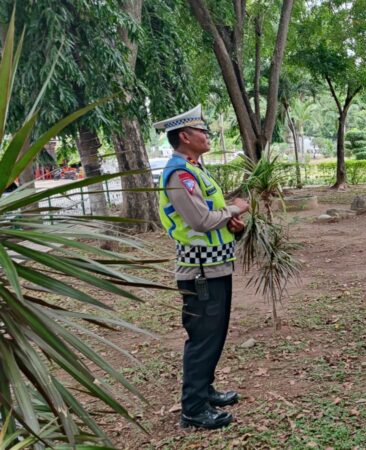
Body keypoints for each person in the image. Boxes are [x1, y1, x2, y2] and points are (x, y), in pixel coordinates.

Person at [155, 105, 249, 430]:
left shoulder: (197, 170)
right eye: (203, 131)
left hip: (217, 266)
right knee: (203, 339)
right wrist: (234, 208)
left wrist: (234, 224)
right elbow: (200, 220)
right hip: (199, 273)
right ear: (185, 136)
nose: (207, 136)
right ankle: (193, 408)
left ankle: (205, 391)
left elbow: (214, 215)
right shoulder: (179, 175)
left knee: (216, 334)